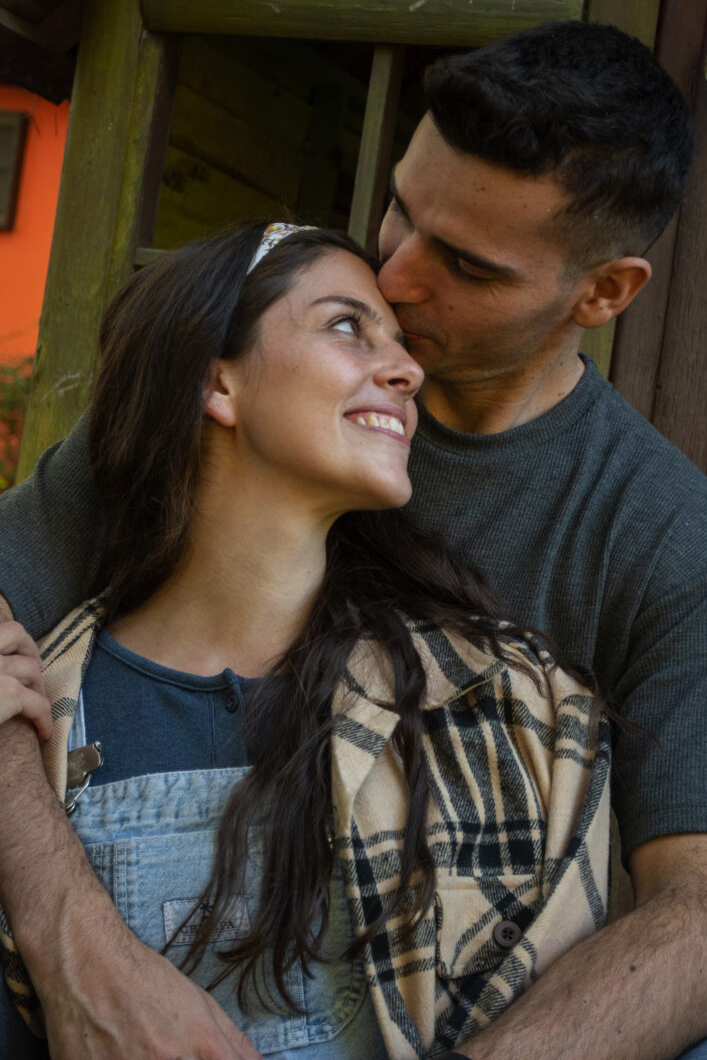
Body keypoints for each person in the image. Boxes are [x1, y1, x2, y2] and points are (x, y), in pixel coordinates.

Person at [0, 20, 707, 1060]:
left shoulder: (673, 546)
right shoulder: (220, 417)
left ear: (603, 291)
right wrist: (76, 946)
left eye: (465, 265)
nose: (396, 277)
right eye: (401, 208)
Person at [0, 221, 610, 1059]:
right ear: (217, 382)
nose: (407, 372)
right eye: (348, 326)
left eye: (399, 344)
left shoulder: (503, 699)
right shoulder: (39, 711)